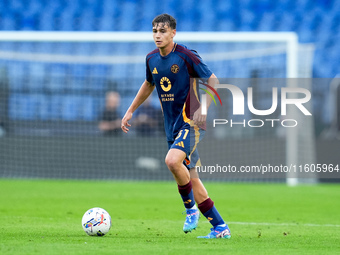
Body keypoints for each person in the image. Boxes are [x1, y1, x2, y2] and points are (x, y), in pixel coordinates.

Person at [121, 14, 231, 239]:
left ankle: (191, 209)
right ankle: (220, 227)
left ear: (173, 33)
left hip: (191, 122)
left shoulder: (185, 55)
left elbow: (213, 80)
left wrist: (205, 108)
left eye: (162, 31)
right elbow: (148, 84)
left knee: (172, 161)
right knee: (193, 180)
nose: (157, 35)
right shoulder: (151, 59)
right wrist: (131, 110)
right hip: (171, 127)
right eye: (154, 31)